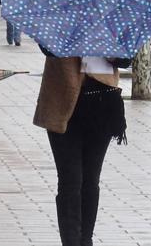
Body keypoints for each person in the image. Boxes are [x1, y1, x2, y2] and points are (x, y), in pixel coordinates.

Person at [33, 50, 130, 246]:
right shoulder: (59, 19)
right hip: (62, 103)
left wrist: (110, 54)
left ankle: (86, 240)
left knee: (90, 180)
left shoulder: (110, 21)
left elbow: (126, 59)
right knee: (70, 181)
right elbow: (47, 47)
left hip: (102, 103)